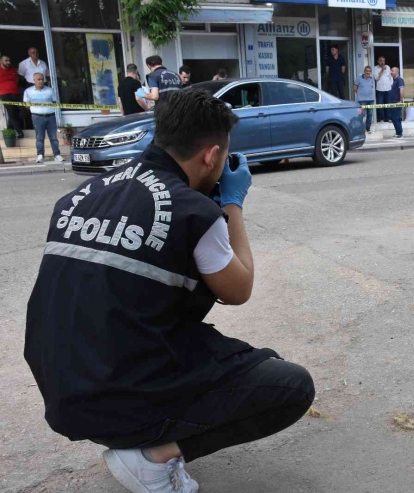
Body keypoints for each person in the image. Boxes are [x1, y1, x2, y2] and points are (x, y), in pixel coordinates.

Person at [24, 88, 315, 493]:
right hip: (115, 394)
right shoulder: (195, 212)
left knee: (221, 350)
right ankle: (151, 457)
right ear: (212, 156)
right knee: (288, 386)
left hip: (64, 387)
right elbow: (239, 288)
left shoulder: (80, 195)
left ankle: (138, 434)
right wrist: (231, 204)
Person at [23, 73, 62, 163]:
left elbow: (54, 102)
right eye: (38, 79)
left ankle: (57, 155)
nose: (41, 81)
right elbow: (26, 104)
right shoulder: (28, 91)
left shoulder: (50, 90)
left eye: (42, 79)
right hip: (37, 117)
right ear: (34, 81)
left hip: (51, 116)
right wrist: (36, 109)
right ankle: (40, 155)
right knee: (40, 137)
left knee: (53, 137)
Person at [0, 55, 24, 138]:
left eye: (9, 60)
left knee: (20, 111)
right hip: (4, 94)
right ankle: (19, 131)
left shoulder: (13, 70)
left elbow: (16, 81)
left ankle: (10, 127)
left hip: (15, 93)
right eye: (6, 60)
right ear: (1, 61)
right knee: (11, 112)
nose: (8, 62)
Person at [353, 66, 375, 133]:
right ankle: (360, 128)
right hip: (362, 100)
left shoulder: (372, 79)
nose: (368, 72)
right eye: (367, 71)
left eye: (369, 71)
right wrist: (360, 95)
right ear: (364, 71)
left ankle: (368, 128)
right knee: (361, 115)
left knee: (370, 114)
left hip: (371, 100)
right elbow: (354, 88)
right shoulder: (359, 78)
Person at [374, 56, 392, 123]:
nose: (382, 62)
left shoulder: (388, 67)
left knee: (388, 104)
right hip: (380, 90)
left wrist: (391, 85)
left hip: (388, 89)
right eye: (381, 61)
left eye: (383, 61)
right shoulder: (375, 68)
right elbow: (376, 78)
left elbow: (390, 77)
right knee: (380, 105)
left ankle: (388, 118)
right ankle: (381, 118)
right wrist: (382, 70)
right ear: (378, 61)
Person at [389, 67, 405, 139]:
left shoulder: (399, 80)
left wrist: (400, 101)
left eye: (392, 71)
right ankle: (398, 132)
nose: (391, 72)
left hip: (397, 102)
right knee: (394, 118)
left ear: (396, 72)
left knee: (396, 118)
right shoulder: (394, 80)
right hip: (393, 102)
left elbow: (401, 90)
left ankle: (400, 133)